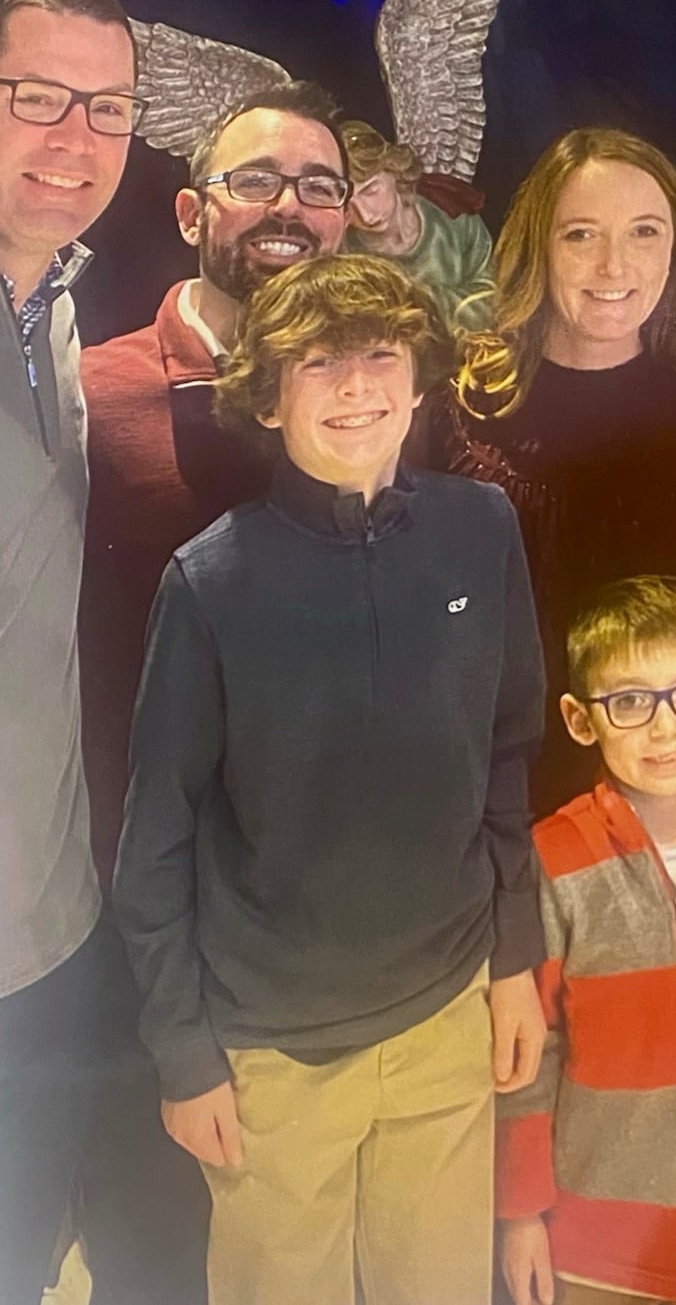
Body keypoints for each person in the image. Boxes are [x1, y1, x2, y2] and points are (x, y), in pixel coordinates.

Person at [113, 253, 546, 1305]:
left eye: (380, 358)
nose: (357, 388)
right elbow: (157, 836)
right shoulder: (210, 580)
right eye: (320, 364)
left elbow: (506, 756)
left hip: (446, 1018)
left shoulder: (479, 530)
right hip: (271, 1055)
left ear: (419, 380)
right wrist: (184, 1053)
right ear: (268, 394)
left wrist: (516, 957)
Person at [0, 0, 205, 1305]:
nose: (73, 141)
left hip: (60, 909)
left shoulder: (59, 319)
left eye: (109, 110)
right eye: (34, 99)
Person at [440, 128, 676, 817]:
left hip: (663, 776)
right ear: (538, 245)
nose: (614, 263)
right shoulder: (460, 400)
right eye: (580, 235)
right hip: (503, 787)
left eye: (644, 232)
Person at [79, 80, 349, 888]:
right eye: (256, 180)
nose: (289, 208)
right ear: (192, 214)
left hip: (340, 857)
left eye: (319, 187)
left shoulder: (384, 399)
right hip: (159, 876)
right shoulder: (88, 396)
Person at [496, 575, 676, 1305]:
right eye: (630, 703)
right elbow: (531, 1056)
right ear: (579, 719)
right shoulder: (552, 859)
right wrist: (521, 1214)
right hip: (594, 1244)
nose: (665, 730)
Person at [341, 117, 496, 330]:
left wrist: (411, 298)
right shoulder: (341, 250)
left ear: (394, 172)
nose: (366, 215)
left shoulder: (454, 218)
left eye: (371, 191)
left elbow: (492, 302)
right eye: (348, 204)